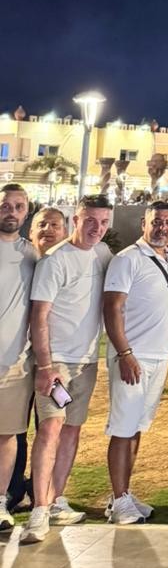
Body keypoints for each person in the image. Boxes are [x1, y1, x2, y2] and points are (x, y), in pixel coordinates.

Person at [24, 196, 113, 542]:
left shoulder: (102, 254)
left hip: (86, 361)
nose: (97, 228)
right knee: (50, 429)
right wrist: (46, 366)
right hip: (57, 362)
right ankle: (39, 509)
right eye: (90, 220)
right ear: (76, 220)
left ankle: (56, 499)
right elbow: (39, 315)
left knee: (72, 430)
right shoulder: (55, 260)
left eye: (103, 222)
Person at [102, 201, 168, 524]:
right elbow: (112, 307)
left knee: (136, 427)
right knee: (123, 429)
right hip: (133, 357)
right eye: (156, 221)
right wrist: (124, 353)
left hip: (158, 357)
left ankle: (123, 494)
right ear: (143, 223)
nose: (162, 228)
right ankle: (118, 499)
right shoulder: (127, 259)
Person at [6, 205, 68, 512]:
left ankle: (44, 492)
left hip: (57, 362)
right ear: (31, 231)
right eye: (42, 224)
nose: (48, 230)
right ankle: (13, 489)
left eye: (55, 225)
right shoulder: (22, 259)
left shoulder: (67, 261)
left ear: (65, 231)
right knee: (14, 428)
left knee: (52, 424)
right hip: (18, 359)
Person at [0, 185, 35, 530]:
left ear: (26, 211)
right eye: (5, 205)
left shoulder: (32, 255)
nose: (11, 212)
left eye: (18, 206)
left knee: (7, 435)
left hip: (13, 365)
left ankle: (0, 502)